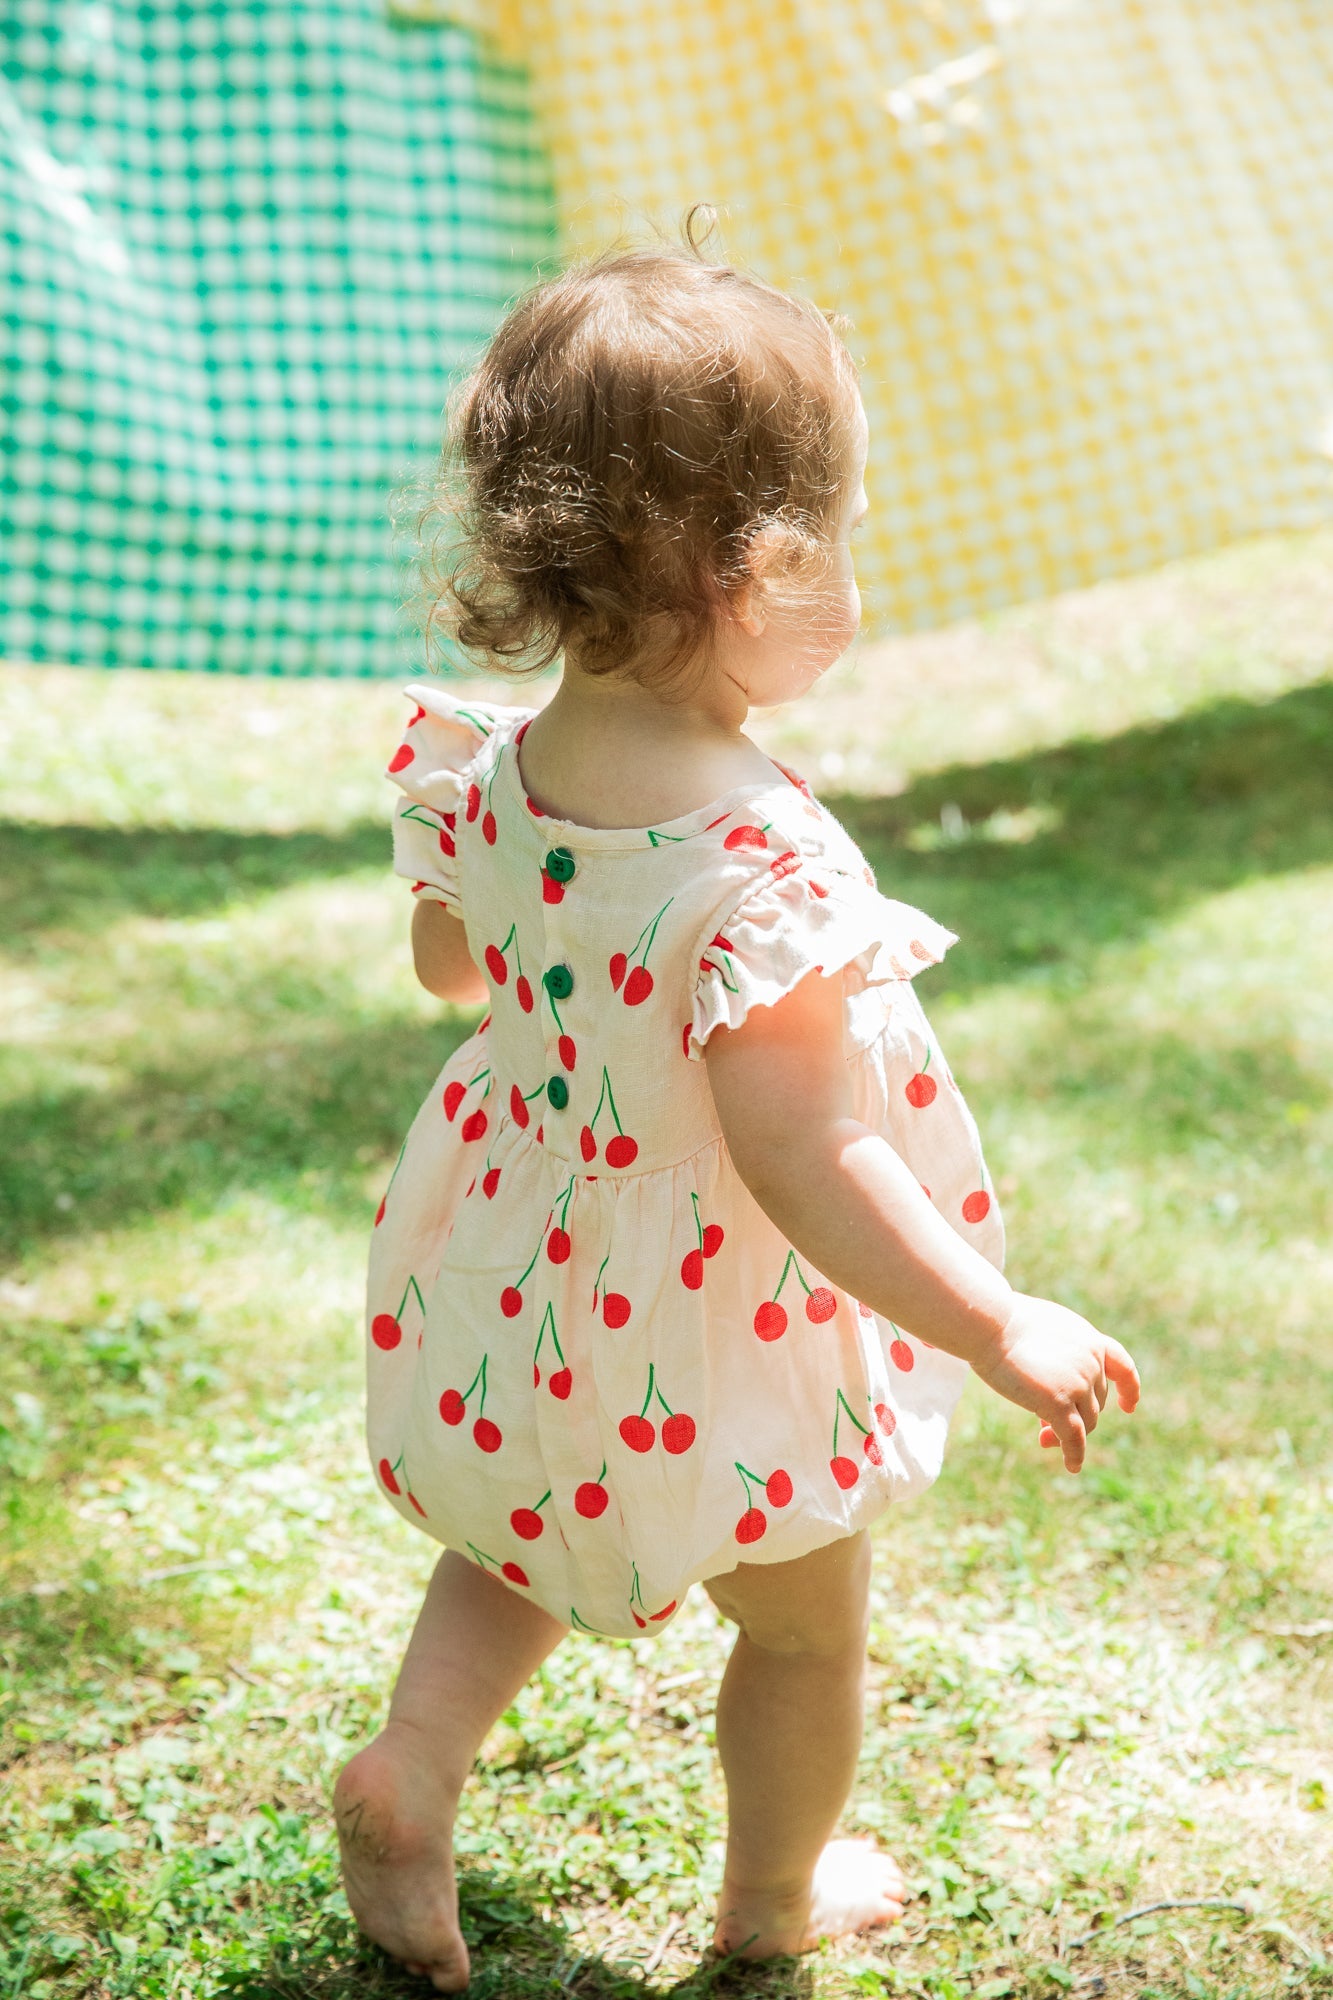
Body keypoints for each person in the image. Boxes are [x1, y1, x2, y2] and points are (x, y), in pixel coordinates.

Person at [335, 239, 1141, 1990]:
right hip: (714, 1313)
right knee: (798, 1630)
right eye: (840, 532)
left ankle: (413, 1768)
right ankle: (773, 1902)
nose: (852, 567)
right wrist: (993, 1320)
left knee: (518, 1529)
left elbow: (449, 968)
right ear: (756, 574)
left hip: (530, 1264)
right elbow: (799, 1149)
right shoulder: (762, 858)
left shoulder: (491, 768)